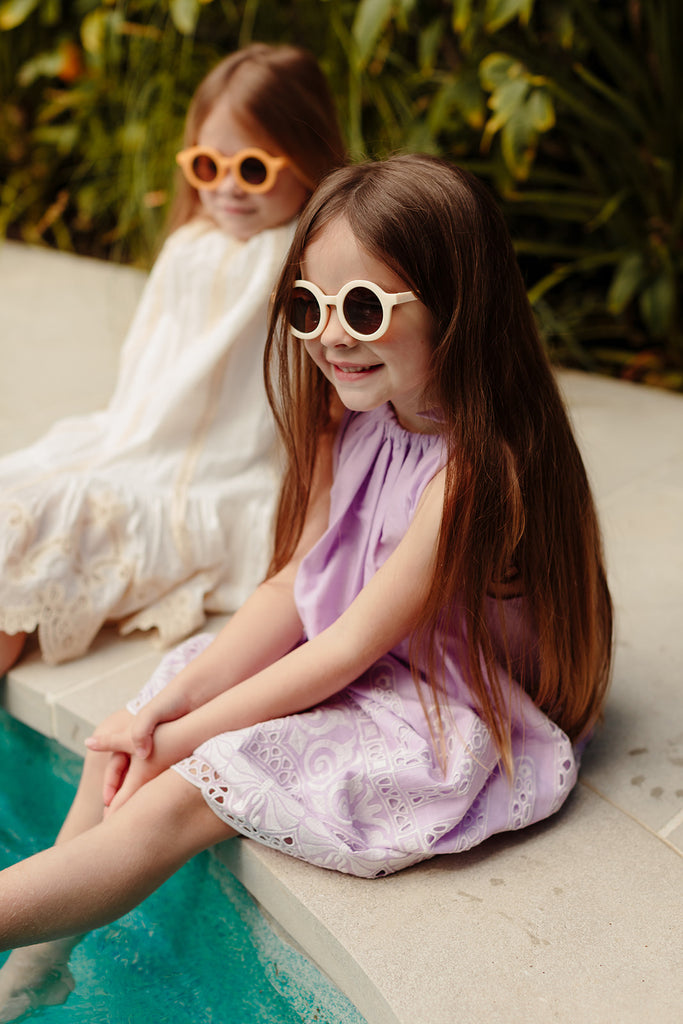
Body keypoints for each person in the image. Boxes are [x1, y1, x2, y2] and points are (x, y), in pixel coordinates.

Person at [0, 155, 613, 1019]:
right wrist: (162, 713)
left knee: (180, 791)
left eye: (362, 307)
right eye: (307, 306)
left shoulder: (476, 474)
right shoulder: (348, 419)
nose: (329, 336)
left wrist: (188, 737)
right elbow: (297, 587)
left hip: (442, 700)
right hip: (360, 653)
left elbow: (350, 647)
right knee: (129, 738)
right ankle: (40, 959)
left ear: (459, 307)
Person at [0, 42, 345, 674]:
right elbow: (146, 381)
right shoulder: (191, 245)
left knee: (41, 533)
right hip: (132, 443)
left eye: (254, 169)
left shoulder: (303, 260)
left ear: (308, 158)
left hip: (223, 474)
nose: (229, 188)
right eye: (208, 167)